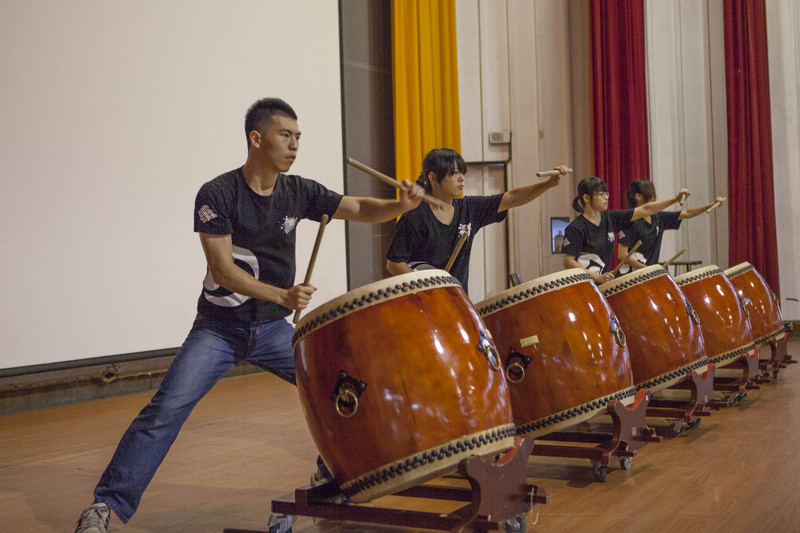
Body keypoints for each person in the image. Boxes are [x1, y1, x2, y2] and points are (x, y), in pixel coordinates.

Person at [73, 98, 424, 533]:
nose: (295, 145)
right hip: (218, 331)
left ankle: (328, 475)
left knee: (343, 389)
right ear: (256, 139)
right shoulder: (218, 194)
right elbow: (223, 270)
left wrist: (399, 207)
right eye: (285, 135)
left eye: (298, 137)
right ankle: (105, 506)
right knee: (165, 410)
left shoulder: (299, 191)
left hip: (273, 330)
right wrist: (283, 295)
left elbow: (356, 209)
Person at [385, 147, 568, 290]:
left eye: (462, 173)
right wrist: (428, 288)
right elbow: (394, 264)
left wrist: (548, 185)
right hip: (424, 306)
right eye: (454, 173)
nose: (461, 179)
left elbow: (511, 197)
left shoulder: (468, 208)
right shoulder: (414, 218)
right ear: (433, 177)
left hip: (458, 301)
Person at [561, 176, 689, 284]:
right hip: (581, 286)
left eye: (607, 194)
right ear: (587, 198)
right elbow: (568, 261)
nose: (606, 197)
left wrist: (675, 199)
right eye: (601, 194)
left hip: (601, 285)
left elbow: (646, 209)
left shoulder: (611, 218)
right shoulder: (576, 228)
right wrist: (597, 277)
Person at [616, 179, 727, 274]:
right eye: (651, 194)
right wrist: (647, 269)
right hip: (629, 277)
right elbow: (622, 254)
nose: (655, 197)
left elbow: (687, 213)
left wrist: (712, 204)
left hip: (647, 275)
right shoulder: (630, 220)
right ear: (638, 197)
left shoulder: (658, 218)